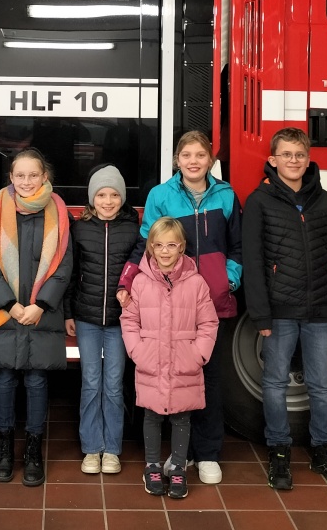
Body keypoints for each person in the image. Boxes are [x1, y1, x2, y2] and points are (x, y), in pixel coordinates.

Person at [117, 130, 242, 485]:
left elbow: (237, 246)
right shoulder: (161, 195)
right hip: (167, 302)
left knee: (207, 381)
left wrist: (226, 281)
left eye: (200, 155)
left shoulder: (227, 195)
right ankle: (171, 457)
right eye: (186, 154)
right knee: (167, 380)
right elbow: (146, 243)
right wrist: (127, 281)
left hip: (208, 304)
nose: (193, 161)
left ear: (210, 160)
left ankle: (207, 454)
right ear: (176, 160)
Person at [241, 127, 327, 490]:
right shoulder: (259, 201)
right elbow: (254, 261)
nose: (294, 161)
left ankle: (325, 451)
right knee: (274, 383)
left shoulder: (324, 201)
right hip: (279, 312)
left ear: (308, 160)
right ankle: (279, 453)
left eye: (300, 155)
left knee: (322, 385)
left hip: (322, 309)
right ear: (273, 160)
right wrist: (260, 313)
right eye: (286, 155)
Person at [0, 147, 73, 487]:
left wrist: (41, 306)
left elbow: (63, 266)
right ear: (11, 177)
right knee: (4, 380)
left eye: (34, 175)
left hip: (40, 314)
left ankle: (33, 447)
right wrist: (8, 304)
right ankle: (4, 445)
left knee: (36, 381)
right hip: (6, 313)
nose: (27, 181)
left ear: (45, 177)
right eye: (20, 175)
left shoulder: (59, 213)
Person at [120, 217, 218, 500]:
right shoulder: (139, 282)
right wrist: (138, 351)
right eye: (159, 245)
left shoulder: (196, 283)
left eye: (171, 245)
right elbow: (129, 320)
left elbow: (209, 323)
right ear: (150, 247)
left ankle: (177, 465)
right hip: (151, 361)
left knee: (181, 417)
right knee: (151, 415)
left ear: (182, 247)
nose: (164, 251)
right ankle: (152, 464)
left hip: (184, 363)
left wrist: (198, 353)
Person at [66, 164, 138, 476]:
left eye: (113, 195)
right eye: (101, 195)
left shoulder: (133, 231)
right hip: (87, 318)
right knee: (90, 382)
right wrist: (70, 312)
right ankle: (91, 448)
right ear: (91, 199)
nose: (107, 201)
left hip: (120, 321)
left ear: (122, 198)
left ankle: (112, 449)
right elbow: (70, 273)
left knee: (113, 384)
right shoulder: (79, 229)